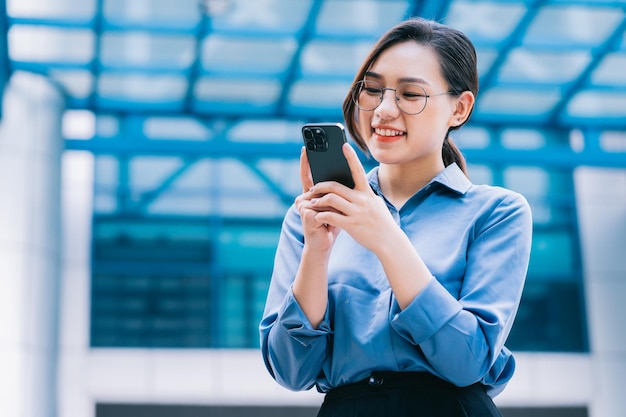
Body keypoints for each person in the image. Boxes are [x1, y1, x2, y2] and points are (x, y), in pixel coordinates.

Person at [259, 16, 532, 417]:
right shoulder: (313, 218)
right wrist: (317, 251)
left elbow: (466, 361)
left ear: (459, 108)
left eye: (410, 94)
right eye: (372, 90)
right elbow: (290, 371)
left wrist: (385, 238)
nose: (383, 110)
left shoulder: (497, 212)